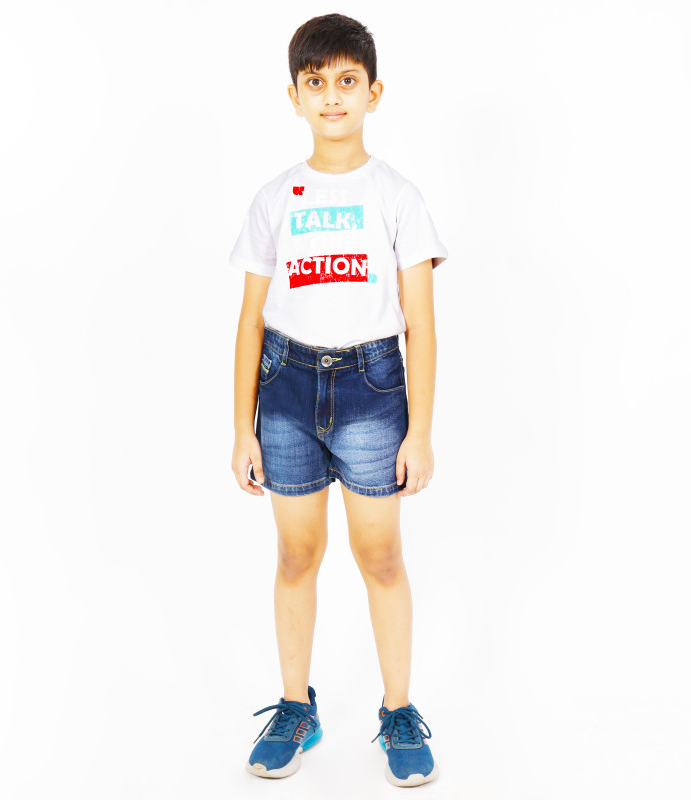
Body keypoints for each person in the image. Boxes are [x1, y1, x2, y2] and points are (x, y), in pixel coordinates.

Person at [229, 12, 448, 788]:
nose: (332, 96)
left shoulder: (397, 196)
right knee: (297, 554)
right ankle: (297, 706)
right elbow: (251, 321)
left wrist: (420, 432)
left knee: (379, 555)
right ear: (294, 96)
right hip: (286, 389)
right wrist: (243, 429)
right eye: (315, 82)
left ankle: (398, 710)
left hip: (372, 389)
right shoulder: (275, 197)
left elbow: (420, 324)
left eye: (347, 81)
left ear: (373, 93)